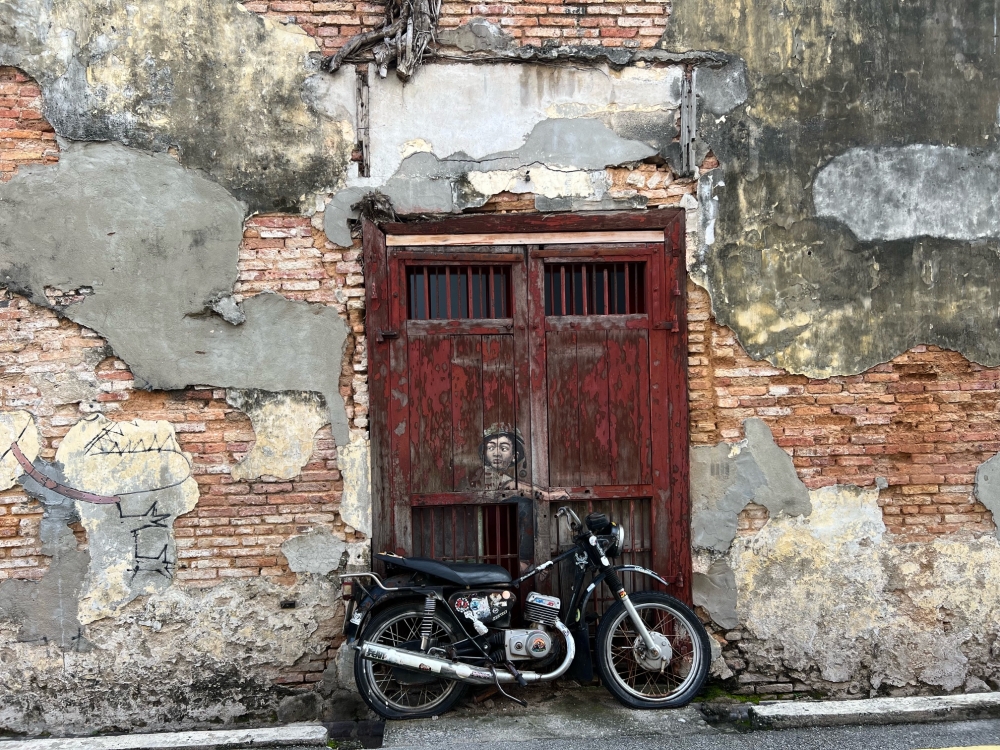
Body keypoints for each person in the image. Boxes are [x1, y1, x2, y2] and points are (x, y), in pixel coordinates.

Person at [471, 422, 568, 501]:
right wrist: (548, 495)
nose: (496, 453)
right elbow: (516, 487)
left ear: (514, 456)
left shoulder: (503, 478)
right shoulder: (483, 474)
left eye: (503, 448)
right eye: (491, 447)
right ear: (485, 453)